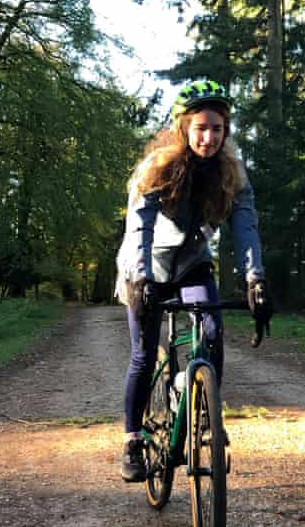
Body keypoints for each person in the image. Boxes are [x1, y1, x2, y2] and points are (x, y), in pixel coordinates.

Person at [114, 78, 273, 482]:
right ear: (183, 128)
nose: (209, 137)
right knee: (144, 355)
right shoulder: (158, 168)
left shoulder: (231, 172)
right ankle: (133, 438)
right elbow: (139, 227)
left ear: (226, 131)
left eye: (217, 128)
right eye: (200, 128)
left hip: (192, 264)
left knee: (213, 330)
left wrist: (255, 280)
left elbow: (246, 227)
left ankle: (203, 409)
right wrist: (140, 281)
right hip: (147, 266)